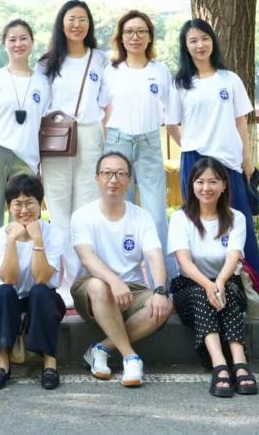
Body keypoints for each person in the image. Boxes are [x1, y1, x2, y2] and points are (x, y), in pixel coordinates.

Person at [166, 18, 259, 302]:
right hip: (195, 162)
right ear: (185, 46)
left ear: (212, 41)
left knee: (241, 222)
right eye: (193, 41)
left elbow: (241, 122)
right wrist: (191, 146)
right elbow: (172, 124)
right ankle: (199, 285)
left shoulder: (230, 79)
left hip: (229, 162)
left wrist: (246, 160)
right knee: (198, 222)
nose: (200, 45)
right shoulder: (180, 84)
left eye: (204, 38)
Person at [71, 152, 173, 388]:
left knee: (164, 304)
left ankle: (101, 349)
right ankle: (130, 357)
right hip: (92, 288)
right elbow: (87, 258)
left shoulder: (141, 216)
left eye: (120, 174)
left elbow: (154, 255)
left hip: (133, 290)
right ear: (97, 178)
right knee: (99, 286)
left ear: (129, 180)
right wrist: (114, 282)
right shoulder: (82, 216)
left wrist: (159, 290)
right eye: (107, 173)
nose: (113, 179)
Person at [37, 0, 109, 304]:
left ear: (89, 24)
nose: (77, 24)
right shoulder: (47, 62)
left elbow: (107, 101)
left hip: (89, 135)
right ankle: (65, 280)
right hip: (55, 138)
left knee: (86, 209)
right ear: (61, 23)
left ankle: (83, 279)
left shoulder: (101, 59)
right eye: (71, 19)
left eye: (82, 19)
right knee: (59, 210)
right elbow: (36, 100)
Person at [0, 19, 52, 292]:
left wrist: (41, 165)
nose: (18, 44)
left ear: (32, 42)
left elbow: (45, 126)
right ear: (4, 44)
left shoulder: (42, 82)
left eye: (23, 38)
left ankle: (22, 281)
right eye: (12, 39)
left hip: (27, 158)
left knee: (24, 219)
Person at [168, 157, 257, 397]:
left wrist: (218, 282)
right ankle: (220, 366)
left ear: (224, 185)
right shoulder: (180, 218)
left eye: (213, 182)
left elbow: (233, 256)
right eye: (200, 181)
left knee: (227, 292)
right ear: (192, 185)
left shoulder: (236, 218)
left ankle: (239, 364)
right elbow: (184, 261)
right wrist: (208, 285)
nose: (206, 188)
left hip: (226, 282)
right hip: (189, 287)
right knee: (202, 294)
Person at [102, 9, 175, 283]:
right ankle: (126, 282)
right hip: (117, 143)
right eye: (129, 32)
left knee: (156, 216)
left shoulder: (160, 71)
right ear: (121, 37)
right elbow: (99, 112)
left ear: (149, 37)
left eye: (141, 31)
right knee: (121, 213)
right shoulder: (110, 71)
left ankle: (164, 284)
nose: (135, 37)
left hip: (149, 143)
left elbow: (171, 113)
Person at [0, 174, 66, 390]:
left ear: (40, 205)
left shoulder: (53, 233)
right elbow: (9, 278)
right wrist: (12, 240)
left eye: (30, 203)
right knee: (2, 292)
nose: (24, 210)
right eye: (17, 204)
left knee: (40, 291)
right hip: (12, 301)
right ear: (9, 207)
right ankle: (2, 364)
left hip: (43, 300)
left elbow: (42, 278)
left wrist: (37, 239)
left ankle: (50, 364)